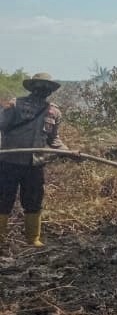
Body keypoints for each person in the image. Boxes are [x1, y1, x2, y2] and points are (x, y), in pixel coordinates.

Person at [0, 73, 68, 248]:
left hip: (34, 165)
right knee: (3, 200)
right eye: (40, 86)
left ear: (50, 91)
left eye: (47, 87)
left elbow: (54, 140)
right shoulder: (15, 105)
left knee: (34, 201)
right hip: (9, 161)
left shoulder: (54, 112)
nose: (43, 90)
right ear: (32, 87)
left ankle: (33, 239)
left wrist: (69, 152)